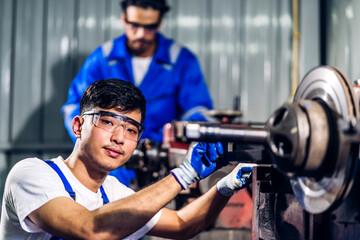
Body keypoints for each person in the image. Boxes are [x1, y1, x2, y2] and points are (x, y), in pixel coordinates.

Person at [1, 79, 252, 239]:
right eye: (108, 122)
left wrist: (226, 185)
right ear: (78, 126)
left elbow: (181, 224)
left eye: (131, 129)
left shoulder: (113, 193)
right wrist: (184, 174)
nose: (119, 137)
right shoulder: (32, 175)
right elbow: (89, 229)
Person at [61, 0, 214, 186]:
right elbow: (74, 107)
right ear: (124, 19)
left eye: (150, 27)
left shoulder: (181, 61)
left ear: (160, 23)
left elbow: (197, 109)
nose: (141, 33)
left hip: (162, 166)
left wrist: (174, 144)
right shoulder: (103, 59)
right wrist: (95, 148)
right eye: (134, 25)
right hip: (110, 167)